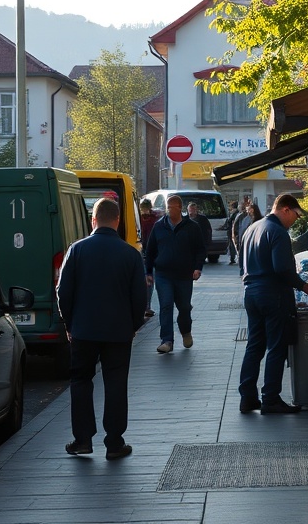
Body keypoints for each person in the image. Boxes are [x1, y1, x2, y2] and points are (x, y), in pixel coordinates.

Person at [56, 197, 146, 460]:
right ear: (117, 221)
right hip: (119, 331)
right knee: (116, 383)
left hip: (83, 330)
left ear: (93, 220)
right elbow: (140, 297)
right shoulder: (130, 254)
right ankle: (115, 443)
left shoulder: (77, 250)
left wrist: (69, 323)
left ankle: (82, 439)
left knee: (81, 381)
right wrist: (133, 325)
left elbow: (63, 292)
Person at [238, 193, 308, 415]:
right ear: (285, 209)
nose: (295, 220)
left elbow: (241, 265)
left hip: (251, 293)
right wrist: (305, 287)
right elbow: (282, 268)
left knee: (254, 346)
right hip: (273, 294)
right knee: (276, 346)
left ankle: (247, 397)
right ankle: (271, 398)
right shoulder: (278, 232)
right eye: (296, 215)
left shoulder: (252, 228)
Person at [144, 194, 205, 354]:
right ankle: (167, 340)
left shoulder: (191, 227)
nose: (168, 210)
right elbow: (150, 251)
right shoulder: (159, 226)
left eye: (171, 207)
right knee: (166, 306)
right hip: (163, 274)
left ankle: (186, 331)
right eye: (167, 207)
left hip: (184, 275)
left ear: (179, 208)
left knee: (184, 307)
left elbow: (200, 249)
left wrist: (197, 268)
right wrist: (148, 272)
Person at [139, 198, 161, 318]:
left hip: (150, 253)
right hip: (140, 250)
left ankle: (147, 306)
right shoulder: (138, 218)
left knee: (149, 279)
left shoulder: (154, 219)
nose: (145, 211)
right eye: (143, 208)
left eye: (146, 208)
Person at [236, 202, 263, 274]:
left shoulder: (252, 219)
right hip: (249, 242)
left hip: (252, 242)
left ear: (252, 210)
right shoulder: (247, 219)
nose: (247, 211)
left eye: (248, 209)